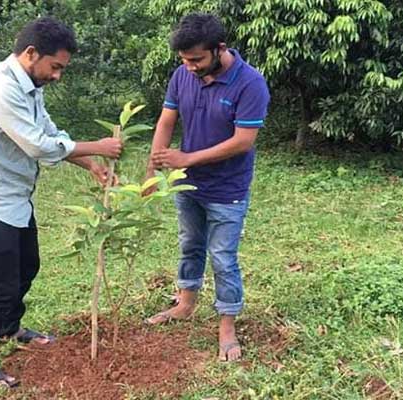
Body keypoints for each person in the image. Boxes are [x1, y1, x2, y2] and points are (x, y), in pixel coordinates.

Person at [0, 16, 123, 388]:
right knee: (1, 283)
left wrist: (90, 163)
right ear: (31, 53)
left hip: (13, 201)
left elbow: (50, 133)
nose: (58, 75)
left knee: (27, 267)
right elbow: (37, 145)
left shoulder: (29, 85)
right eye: (55, 66)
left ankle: (9, 329)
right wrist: (99, 146)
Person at [143, 13, 270, 362]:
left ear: (219, 49)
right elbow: (166, 121)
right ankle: (185, 304)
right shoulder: (182, 75)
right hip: (188, 186)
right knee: (190, 244)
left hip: (227, 188)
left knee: (223, 258)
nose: (190, 67)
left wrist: (188, 159)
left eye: (196, 59)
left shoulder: (250, 83)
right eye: (184, 60)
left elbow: (243, 141)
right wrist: (152, 173)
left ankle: (227, 326)